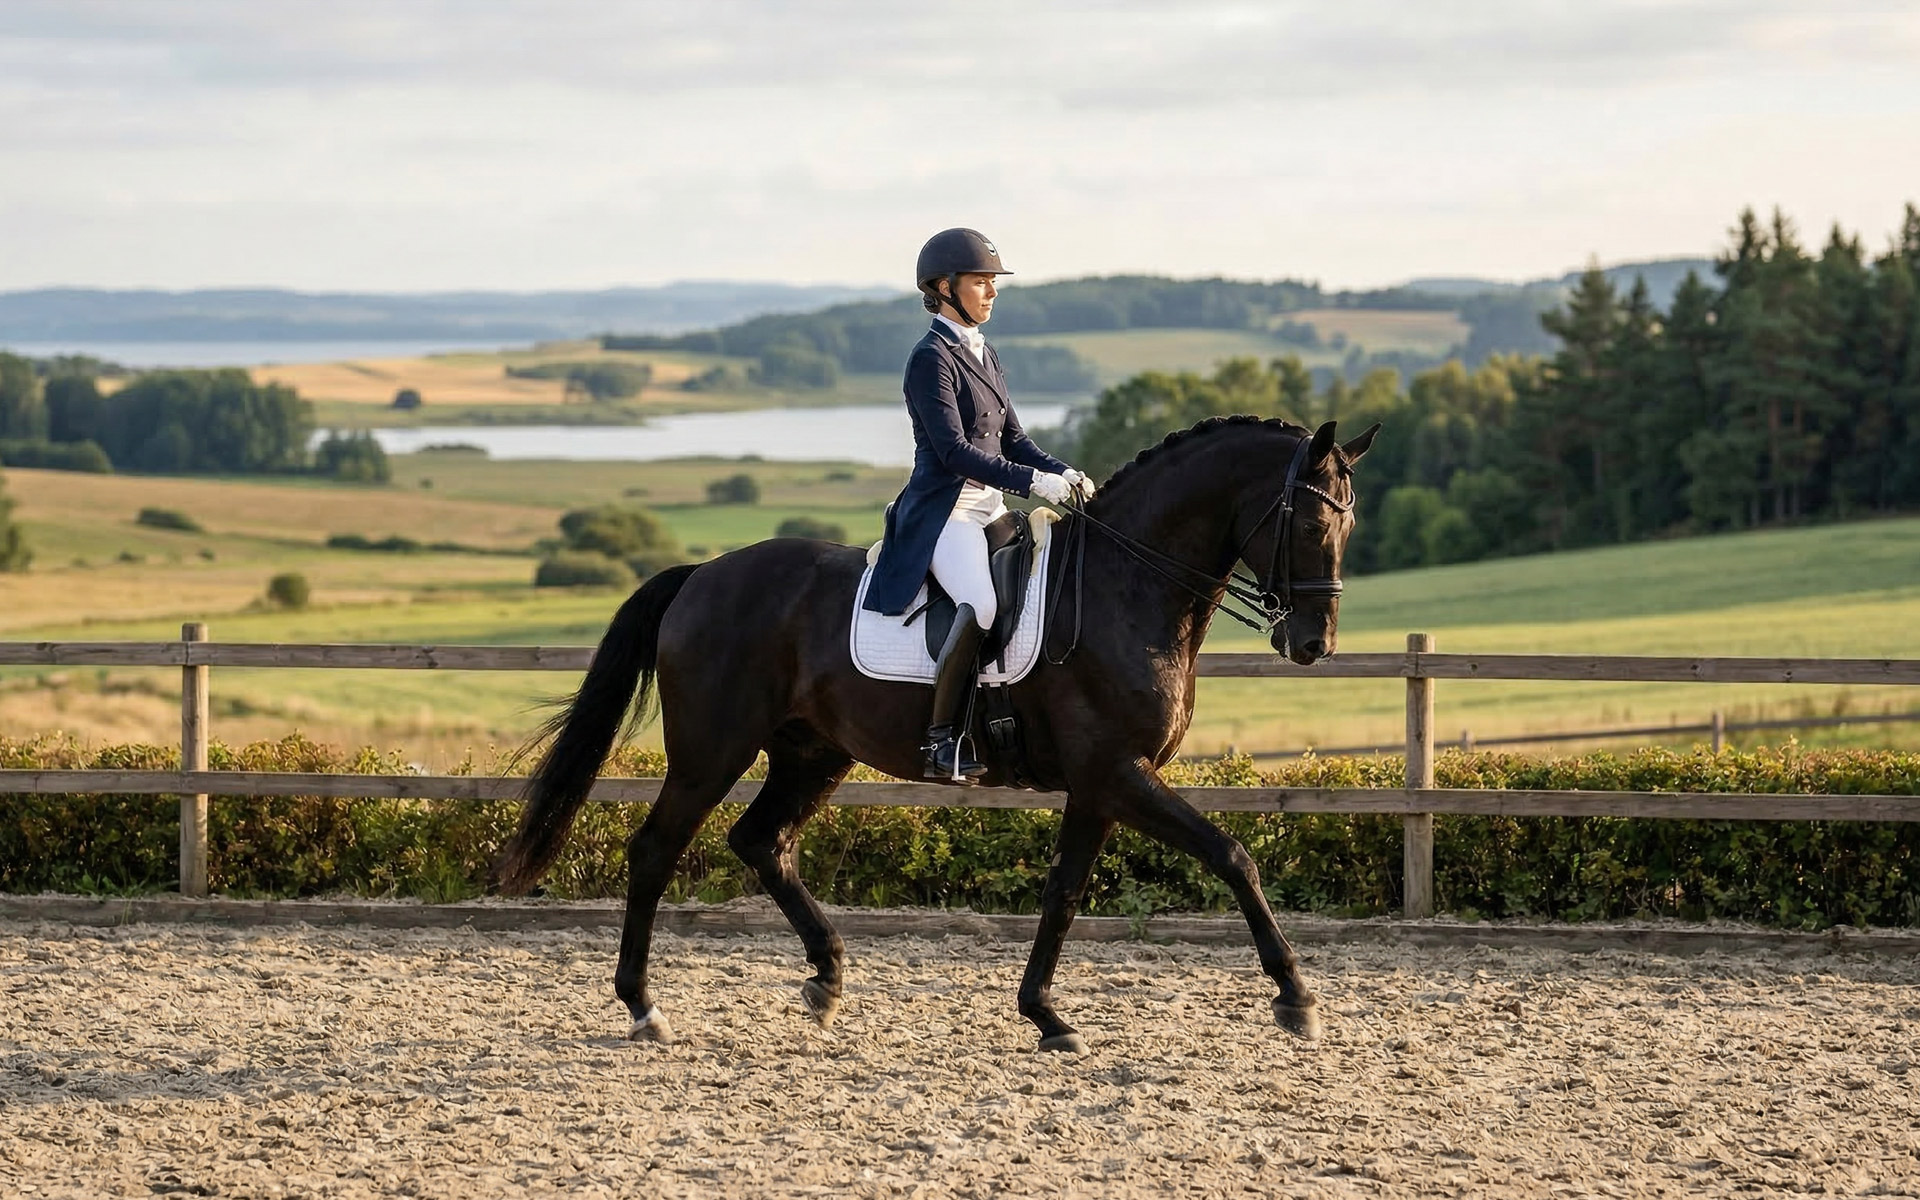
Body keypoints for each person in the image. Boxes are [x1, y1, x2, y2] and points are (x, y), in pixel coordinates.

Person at [862, 227, 1096, 782]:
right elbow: (954, 453)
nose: (991, 292)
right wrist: (1035, 484)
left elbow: (1014, 440)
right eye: (980, 282)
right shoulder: (930, 360)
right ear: (944, 288)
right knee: (982, 606)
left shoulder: (984, 352)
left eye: (993, 283)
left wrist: (1060, 471)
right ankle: (942, 741)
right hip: (945, 513)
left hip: (989, 510)